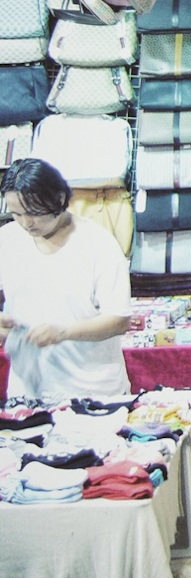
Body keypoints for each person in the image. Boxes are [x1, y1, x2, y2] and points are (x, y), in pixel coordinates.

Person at [0, 158, 131, 400]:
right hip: (28, 393)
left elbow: (119, 319)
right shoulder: (6, 240)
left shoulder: (98, 243)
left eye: (34, 213)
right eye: (17, 214)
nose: (26, 223)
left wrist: (63, 332)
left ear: (59, 199)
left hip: (93, 393)